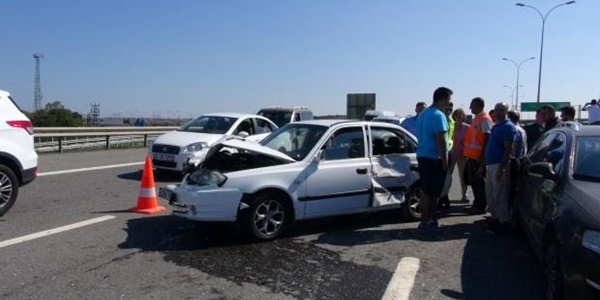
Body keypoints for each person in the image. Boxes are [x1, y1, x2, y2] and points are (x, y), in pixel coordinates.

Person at [415, 87, 451, 234]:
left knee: (426, 191)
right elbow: (441, 141)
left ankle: (425, 221)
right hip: (434, 158)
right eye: (448, 100)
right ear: (442, 99)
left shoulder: (423, 114)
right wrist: (445, 160)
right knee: (433, 193)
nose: (449, 104)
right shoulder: (438, 115)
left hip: (422, 156)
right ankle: (427, 221)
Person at [485, 102, 517, 234]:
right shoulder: (496, 126)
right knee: (491, 194)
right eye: (496, 110)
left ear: (506, 112)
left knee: (500, 194)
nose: (498, 112)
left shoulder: (508, 127)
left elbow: (508, 149)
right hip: (490, 165)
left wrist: (502, 168)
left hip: (499, 165)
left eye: (501, 110)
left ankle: (503, 222)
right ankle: (494, 218)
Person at [463, 97, 494, 214]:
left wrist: (482, 159)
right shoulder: (477, 119)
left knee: (479, 183)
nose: (470, 107)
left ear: (479, 106)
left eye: (472, 105)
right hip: (472, 157)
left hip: (478, 158)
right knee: (473, 182)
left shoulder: (485, 119)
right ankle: (477, 203)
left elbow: (487, 139)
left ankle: (481, 206)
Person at [449, 108, 470, 202]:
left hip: (463, 155)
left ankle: (464, 195)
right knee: (448, 175)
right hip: (452, 154)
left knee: (463, 176)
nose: (458, 116)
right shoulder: (451, 126)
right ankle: (444, 196)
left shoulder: (468, 128)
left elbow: (470, 140)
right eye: (456, 115)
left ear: (463, 116)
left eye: (460, 114)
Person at [507, 110, 527, 207]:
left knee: (508, 187)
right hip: (521, 160)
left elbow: (510, 147)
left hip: (511, 160)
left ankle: (507, 210)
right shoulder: (522, 130)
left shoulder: (512, 129)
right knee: (514, 186)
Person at [438, 102, 455, 209]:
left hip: (449, 151)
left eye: (450, 108)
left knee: (448, 176)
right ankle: (440, 199)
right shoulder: (441, 120)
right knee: (441, 175)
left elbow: (451, 136)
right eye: (447, 108)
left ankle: (445, 196)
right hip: (441, 151)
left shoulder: (452, 121)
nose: (449, 110)